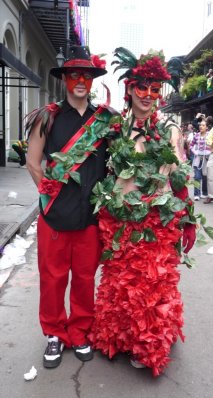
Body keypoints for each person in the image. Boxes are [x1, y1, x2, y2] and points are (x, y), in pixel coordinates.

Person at [89, 47, 197, 376]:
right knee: (121, 282)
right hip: (120, 219)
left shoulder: (169, 130)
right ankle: (119, 336)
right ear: (129, 90)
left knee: (150, 286)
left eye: (155, 90)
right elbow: (99, 171)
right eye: (142, 88)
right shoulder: (114, 129)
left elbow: (179, 177)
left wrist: (187, 215)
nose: (148, 96)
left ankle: (148, 344)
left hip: (155, 221)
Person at [25, 45, 113, 368]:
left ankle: (80, 332)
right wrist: (50, 195)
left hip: (90, 217)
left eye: (86, 76)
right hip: (55, 217)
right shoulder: (48, 117)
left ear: (91, 81)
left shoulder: (104, 122)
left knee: (85, 277)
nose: (79, 80)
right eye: (74, 74)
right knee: (52, 278)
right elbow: (33, 163)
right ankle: (54, 333)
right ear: (65, 79)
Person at [190, 119, 211, 200]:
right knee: (197, 176)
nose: (201, 126)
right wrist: (195, 152)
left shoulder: (210, 135)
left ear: (206, 127)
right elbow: (191, 145)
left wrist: (209, 152)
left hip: (207, 158)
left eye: (203, 125)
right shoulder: (196, 135)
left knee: (205, 176)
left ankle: (204, 193)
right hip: (198, 158)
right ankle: (196, 194)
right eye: (200, 125)